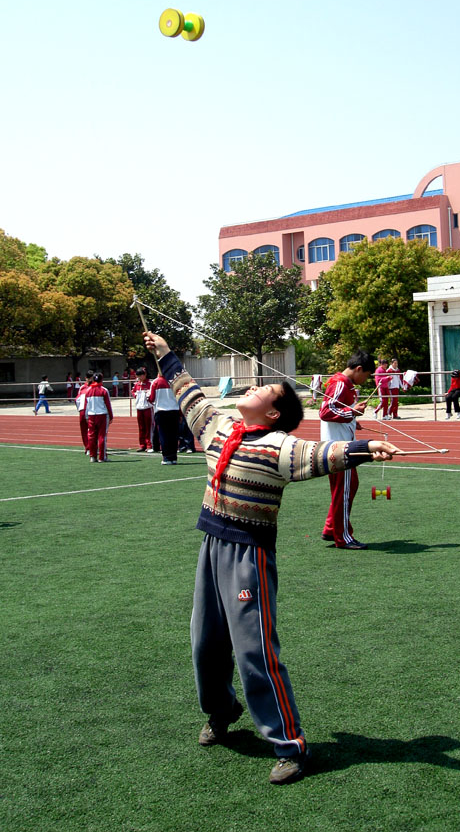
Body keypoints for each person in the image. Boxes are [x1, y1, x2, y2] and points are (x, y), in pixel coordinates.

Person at [144, 330, 401, 786]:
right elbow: (188, 393)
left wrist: (365, 447)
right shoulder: (217, 427)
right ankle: (222, 712)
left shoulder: (280, 447)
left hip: (249, 554)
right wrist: (165, 354)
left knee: (255, 651)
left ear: (274, 412)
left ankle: (290, 745)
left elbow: (320, 452)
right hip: (211, 545)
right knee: (204, 644)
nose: (254, 386)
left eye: (265, 390)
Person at [319, 350, 376, 549]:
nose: (366, 379)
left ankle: (330, 528)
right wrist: (352, 412)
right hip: (337, 447)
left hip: (340, 444)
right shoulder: (341, 383)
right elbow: (326, 411)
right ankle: (342, 537)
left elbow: (337, 411)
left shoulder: (344, 384)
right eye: (367, 375)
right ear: (359, 369)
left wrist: (351, 420)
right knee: (343, 490)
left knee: (348, 487)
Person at [149, 369, 180, 464]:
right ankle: (173, 457)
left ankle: (166, 457)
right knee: (174, 435)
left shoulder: (156, 382)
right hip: (174, 410)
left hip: (161, 411)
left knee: (164, 435)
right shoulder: (174, 381)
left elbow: (151, 398)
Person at [84, 373, 114, 462]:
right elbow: (108, 404)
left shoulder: (88, 390)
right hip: (102, 415)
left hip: (91, 415)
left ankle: (92, 457)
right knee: (102, 436)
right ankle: (102, 457)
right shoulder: (104, 390)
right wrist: (111, 416)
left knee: (92, 436)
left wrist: (86, 416)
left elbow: (86, 405)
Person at [131, 367, 154, 452]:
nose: (139, 378)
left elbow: (152, 394)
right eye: (138, 376)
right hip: (139, 408)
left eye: (140, 376)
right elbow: (133, 392)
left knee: (148, 427)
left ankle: (149, 445)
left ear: (145, 375)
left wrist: (148, 397)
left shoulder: (150, 384)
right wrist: (136, 396)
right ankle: (142, 444)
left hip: (147, 408)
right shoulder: (137, 384)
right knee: (141, 427)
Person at [75, 373, 94, 454]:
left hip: (91, 411)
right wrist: (79, 409)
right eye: (88, 378)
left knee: (92, 430)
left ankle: (92, 446)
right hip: (84, 410)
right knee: (84, 430)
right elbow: (77, 399)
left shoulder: (95, 387)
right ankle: (88, 447)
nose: (89, 380)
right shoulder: (82, 387)